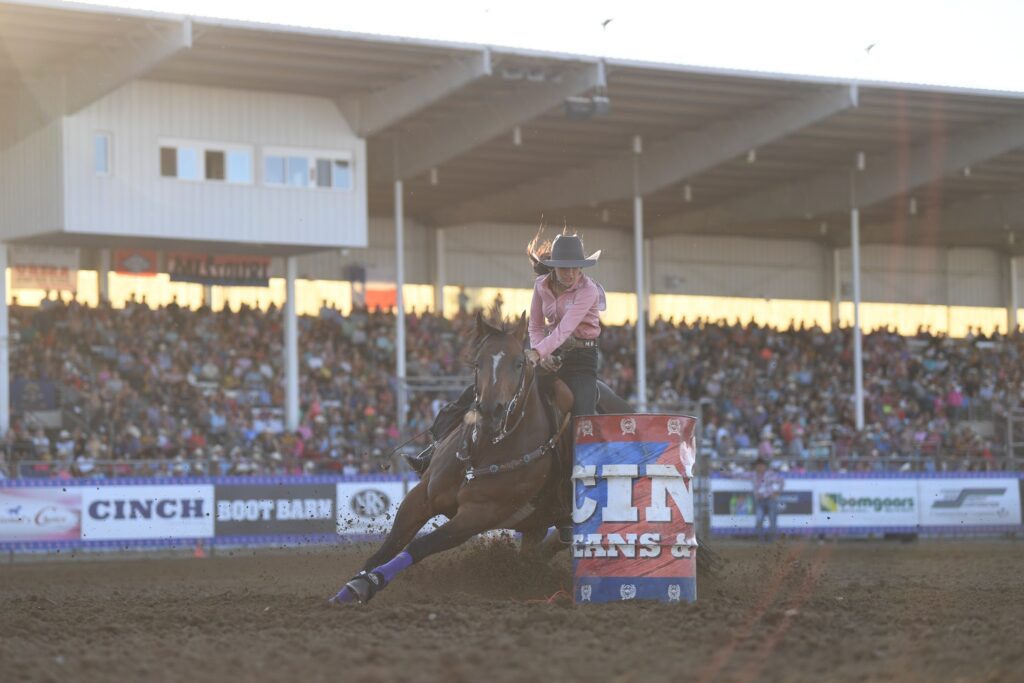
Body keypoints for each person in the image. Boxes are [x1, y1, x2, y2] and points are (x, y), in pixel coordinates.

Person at [404, 229, 605, 473]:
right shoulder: (542, 286)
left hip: (581, 359)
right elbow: (536, 326)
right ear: (553, 268)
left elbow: (564, 329)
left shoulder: (588, 291)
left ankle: (582, 476)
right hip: (548, 352)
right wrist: (543, 356)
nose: (571, 273)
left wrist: (537, 354)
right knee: (488, 389)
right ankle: (433, 453)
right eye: (565, 268)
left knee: (582, 415)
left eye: (576, 268)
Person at [750, 457, 784, 542]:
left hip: (770, 499)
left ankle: (771, 540)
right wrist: (723, 472)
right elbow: (738, 475)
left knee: (772, 520)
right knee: (759, 519)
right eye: (758, 465)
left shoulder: (770, 474)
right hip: (759, 500)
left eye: (761, 465)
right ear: (756, 467)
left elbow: (781, 481)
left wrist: (777, 493)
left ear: (764, 466)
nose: (760, 467)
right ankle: (760, 540)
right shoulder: (753, 475)